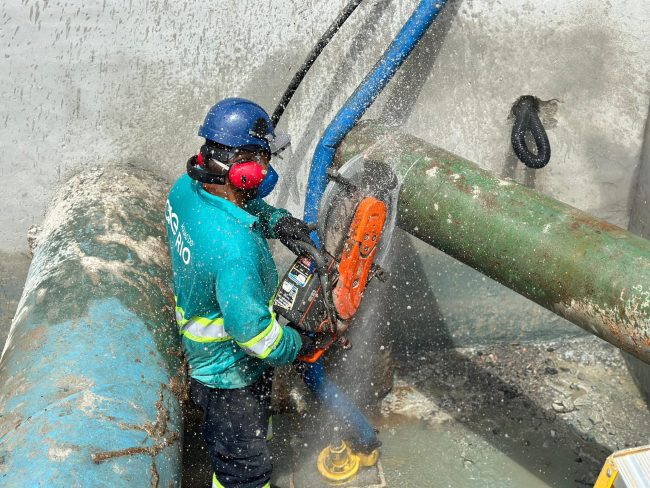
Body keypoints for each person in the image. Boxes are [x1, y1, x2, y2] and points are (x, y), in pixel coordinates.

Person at [165, 97, 314, 488]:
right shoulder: (236, 250)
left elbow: (240, 208)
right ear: (244, 170)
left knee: (230, 456)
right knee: (246, 472)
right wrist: (297, 344)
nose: (267, 171)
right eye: (263, 161)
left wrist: (278, 222)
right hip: (230, 376)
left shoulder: (186, 189)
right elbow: (253, 335)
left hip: (204, 362)